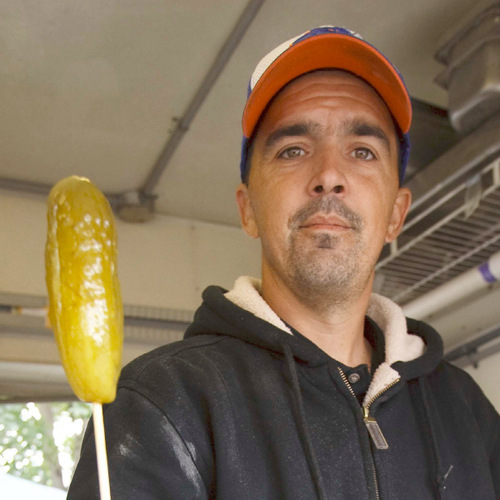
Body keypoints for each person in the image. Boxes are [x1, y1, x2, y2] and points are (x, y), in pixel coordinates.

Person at [68, 26, 500, 499]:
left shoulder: (466, 409)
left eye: (362, 151)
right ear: (248, 208)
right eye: (293, 149)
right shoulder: (160, 401)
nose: (329, 176)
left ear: (396, 214)